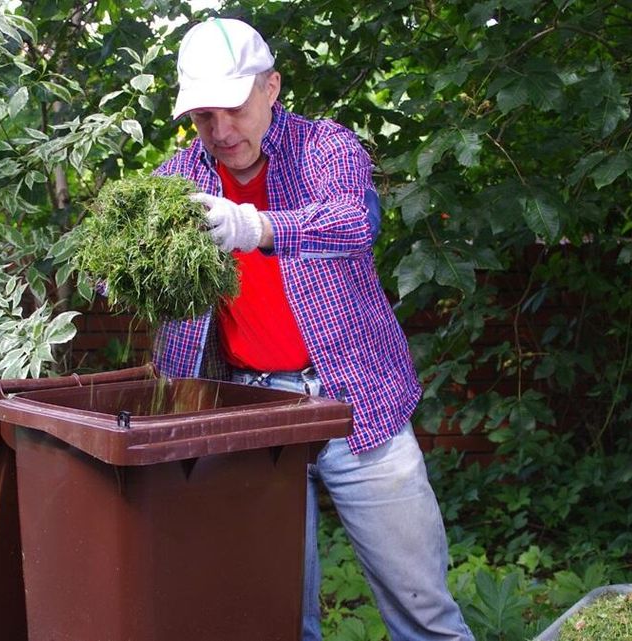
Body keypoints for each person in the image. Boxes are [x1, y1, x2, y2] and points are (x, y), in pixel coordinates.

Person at [153, 17, 476, 641]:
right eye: (202, 117)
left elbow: (353, 222)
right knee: (277, 619)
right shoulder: (177, 182)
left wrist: (255, 228)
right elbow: (148, 283)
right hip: (252, 415)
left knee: (424, 614)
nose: (220, 132)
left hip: (357, 403)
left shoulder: (326, 149)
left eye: (233, 109)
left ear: (271, 88)